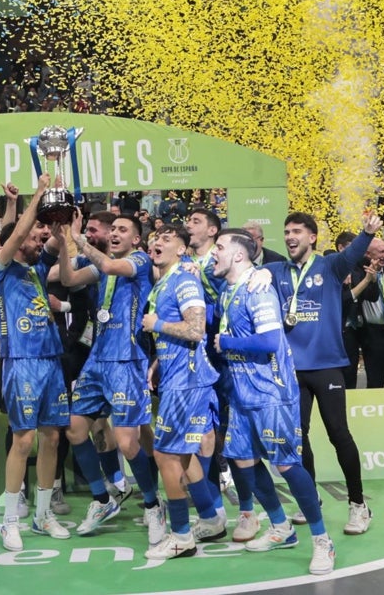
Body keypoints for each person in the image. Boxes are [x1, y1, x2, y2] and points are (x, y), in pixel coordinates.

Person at [213, 229, 336, 575]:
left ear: (239, 255)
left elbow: (268, 340)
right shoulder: (229, 288)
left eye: (219, 248)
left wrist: (225, 342)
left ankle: (322, 539)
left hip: (271, 391)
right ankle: (281, 527)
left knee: (286, 465)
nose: (214, 254)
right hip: (240, 393)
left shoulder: (259, 290)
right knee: (243, 461)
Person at [264, 211, 382, 536]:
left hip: (327, 366)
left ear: (312, 237)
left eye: (297, 231)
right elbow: (241, 267)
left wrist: (367, 233)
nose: (290, 236)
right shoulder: (275, 271)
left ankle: (358, 505)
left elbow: (353, 254)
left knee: (338, 435)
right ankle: (310, 498)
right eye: (286, 231)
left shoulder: (330, 267)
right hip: (292, 371)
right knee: (298, 438)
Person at [57, 216, 163, 543]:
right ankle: (103, 500)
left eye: (122, 230)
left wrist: (79, 238)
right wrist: (64, 242)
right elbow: (68, 277)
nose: (115, 234)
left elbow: (111, 267)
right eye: (112, 229)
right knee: (75, 430)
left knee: (129, 442)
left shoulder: (140, 261)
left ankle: (152, 503)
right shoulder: (102, 265)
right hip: (97, 359)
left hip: (127, 361)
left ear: (135, 239)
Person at [0, 173, 71, 550]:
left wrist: (60, 209)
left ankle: (42, 514)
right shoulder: (1, 266)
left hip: (51, 359)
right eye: (33, 237)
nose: (38, 241)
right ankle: (9, 521)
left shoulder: (39, 268)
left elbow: (59, 236)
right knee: (23, 440)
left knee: (52, 437)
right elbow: (17, 233)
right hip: (20, 360)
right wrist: (37, 195)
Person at [137, 224, 223, 560]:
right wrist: (159, 360)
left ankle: (181, 535)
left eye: (167, 239)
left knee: (165, 454)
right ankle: (210, 519)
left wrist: (155, 325)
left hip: (186, 382)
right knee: (183, 454)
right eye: (156, 238)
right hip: (178, 376)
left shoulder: (184, 279)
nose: (157, 242)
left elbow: (196, 329)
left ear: (182, 251)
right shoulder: (165, 282)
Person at [347, 238, 384, 388]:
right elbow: (369, 296)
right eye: (381, 252)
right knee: (375, 380)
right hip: (372, 334)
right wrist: (371, 279)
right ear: (368, 254)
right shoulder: (359, 273)